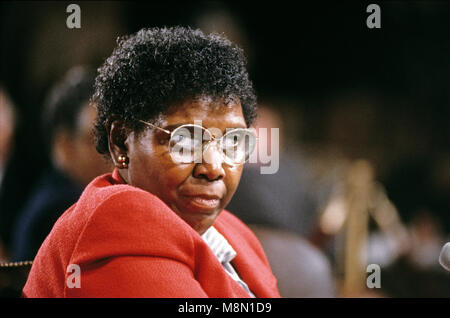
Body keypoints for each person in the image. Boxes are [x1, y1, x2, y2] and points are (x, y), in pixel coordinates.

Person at [23, 27, 280, 298]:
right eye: (185, 141)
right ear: (121, 141)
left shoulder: (234, 232)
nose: (214, 168)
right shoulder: (116, 221)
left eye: (233, 142)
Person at [11, 66, 112, 261]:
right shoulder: (62, 209)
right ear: (64, 145)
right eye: (97, 140)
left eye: (114, 137)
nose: (111, 151)